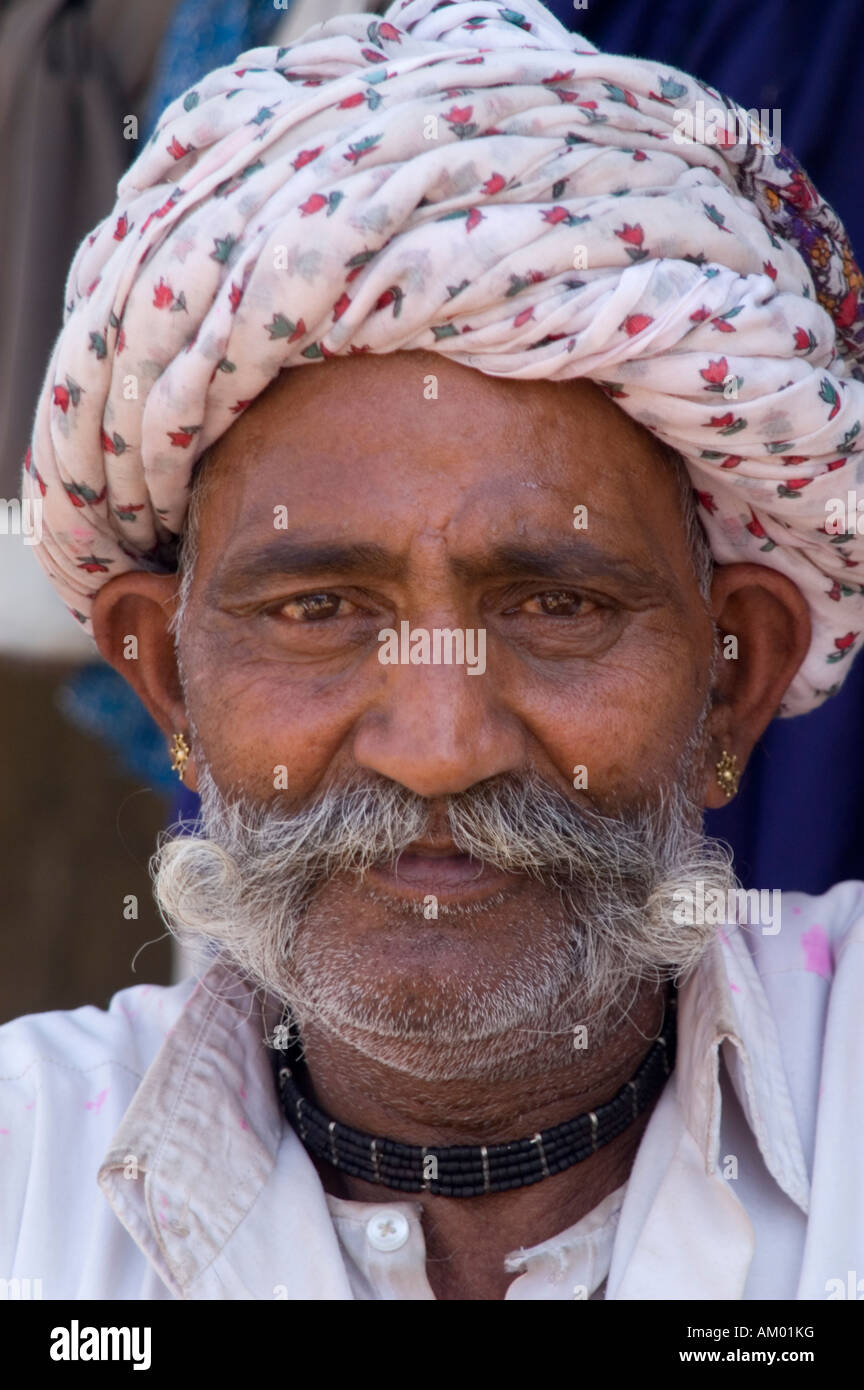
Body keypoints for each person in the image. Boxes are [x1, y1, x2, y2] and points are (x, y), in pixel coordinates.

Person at [5, 0, 864, 1301]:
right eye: (318, 610)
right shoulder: (26, 1181)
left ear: (731, 678)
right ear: (167, 677)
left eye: (554, 606)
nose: (440, 745)